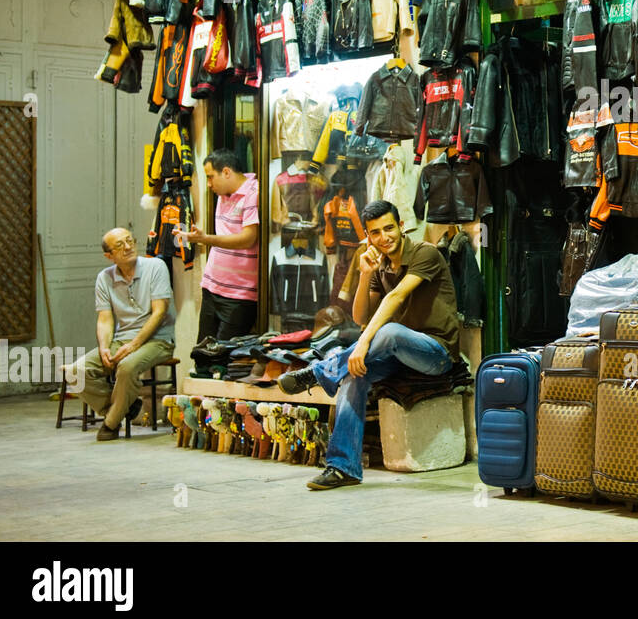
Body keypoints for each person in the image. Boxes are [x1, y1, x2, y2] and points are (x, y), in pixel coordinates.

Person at [277, 200, 460, 490]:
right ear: (368, 236)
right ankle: (343, 467)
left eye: (389, 228)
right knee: (353, 374)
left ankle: (319, 371)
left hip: (436, 354)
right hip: (397, 355)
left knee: (389, 332)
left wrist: (363, 344)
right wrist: (364, 274)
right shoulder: (380, 264)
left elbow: (396, 298)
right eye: (375, 233)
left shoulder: (426, 253)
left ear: (401, 227)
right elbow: (361, 316)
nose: (384, 237)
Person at [64, 228, 175, 441]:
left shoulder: (155, 266)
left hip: (158, 340)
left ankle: (110, 424)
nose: (127, 247)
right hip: (121, 339)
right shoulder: (104, 278)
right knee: (75, 372)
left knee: (127, 366)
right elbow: (105, 319)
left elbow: (159, 312)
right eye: (119, 245)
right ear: (109, 256)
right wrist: (104, 347)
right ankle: (124, 407)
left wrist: (133, 345)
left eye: (129, 241)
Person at [186, 149, 260, 340]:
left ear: (226, 172)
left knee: (226, 360)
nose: (209, 184)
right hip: (212, 286)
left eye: (211, 177)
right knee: (203, 355)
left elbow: (248, 238)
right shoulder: (223, 193)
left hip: (239, 294)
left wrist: (206, 239)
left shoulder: (253, 193)